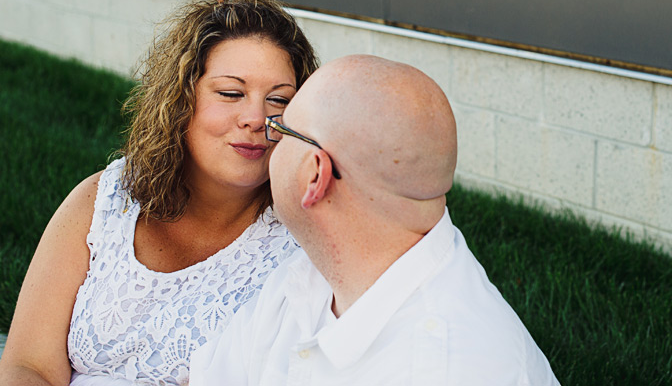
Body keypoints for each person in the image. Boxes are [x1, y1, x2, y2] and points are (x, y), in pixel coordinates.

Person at [0, 0, 318, 386]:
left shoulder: (304, 246)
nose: (256, 118)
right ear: (181, 99)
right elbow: (28, 364)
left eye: (279, 100)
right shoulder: (106, 199)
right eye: (231, 93)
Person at [190, 54, 559, 385]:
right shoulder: (307, 276)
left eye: (283, 130)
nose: (269, 138)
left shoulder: (445, 370)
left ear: (315, 176)